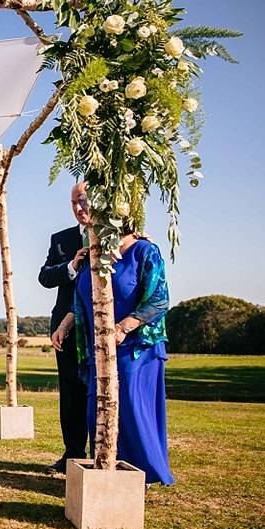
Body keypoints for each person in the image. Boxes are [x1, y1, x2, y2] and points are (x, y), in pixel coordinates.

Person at [51, 208, 175, 486]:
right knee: (97, 407)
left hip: (135, 348)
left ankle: (140, 474)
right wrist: (64, 326)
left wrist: (120, 329)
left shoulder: (144, 251)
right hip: (98, 350)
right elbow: (81, 301)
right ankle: (104, 468)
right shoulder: (94, 255)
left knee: (128, 406)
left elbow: (159, 300)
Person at [37, 182, 90, 474]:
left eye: (83, 200)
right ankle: (72, 454)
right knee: (70, 393)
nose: (79, 208)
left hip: (100, 328)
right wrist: (70, 266)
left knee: (98, 391)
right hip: (65, 330)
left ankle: (101, 452)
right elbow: (44, 277)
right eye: (73, 203)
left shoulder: (115, 236)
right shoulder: (61, 239)